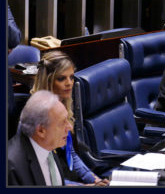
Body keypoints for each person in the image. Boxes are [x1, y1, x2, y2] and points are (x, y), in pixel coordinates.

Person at [31, 51, 109, 186]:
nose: (69, 83)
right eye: (62, 78)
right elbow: (44, 179)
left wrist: (95, 180)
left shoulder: (62, 107)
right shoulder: (36, 118)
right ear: (48, 81)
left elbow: (71, 155)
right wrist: (84, 187)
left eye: (72, 77)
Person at [8, 90, 72, 185]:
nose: (70, 127)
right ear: (41, 131)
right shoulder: (11, 168)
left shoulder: (47, 144)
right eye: (62, 122)